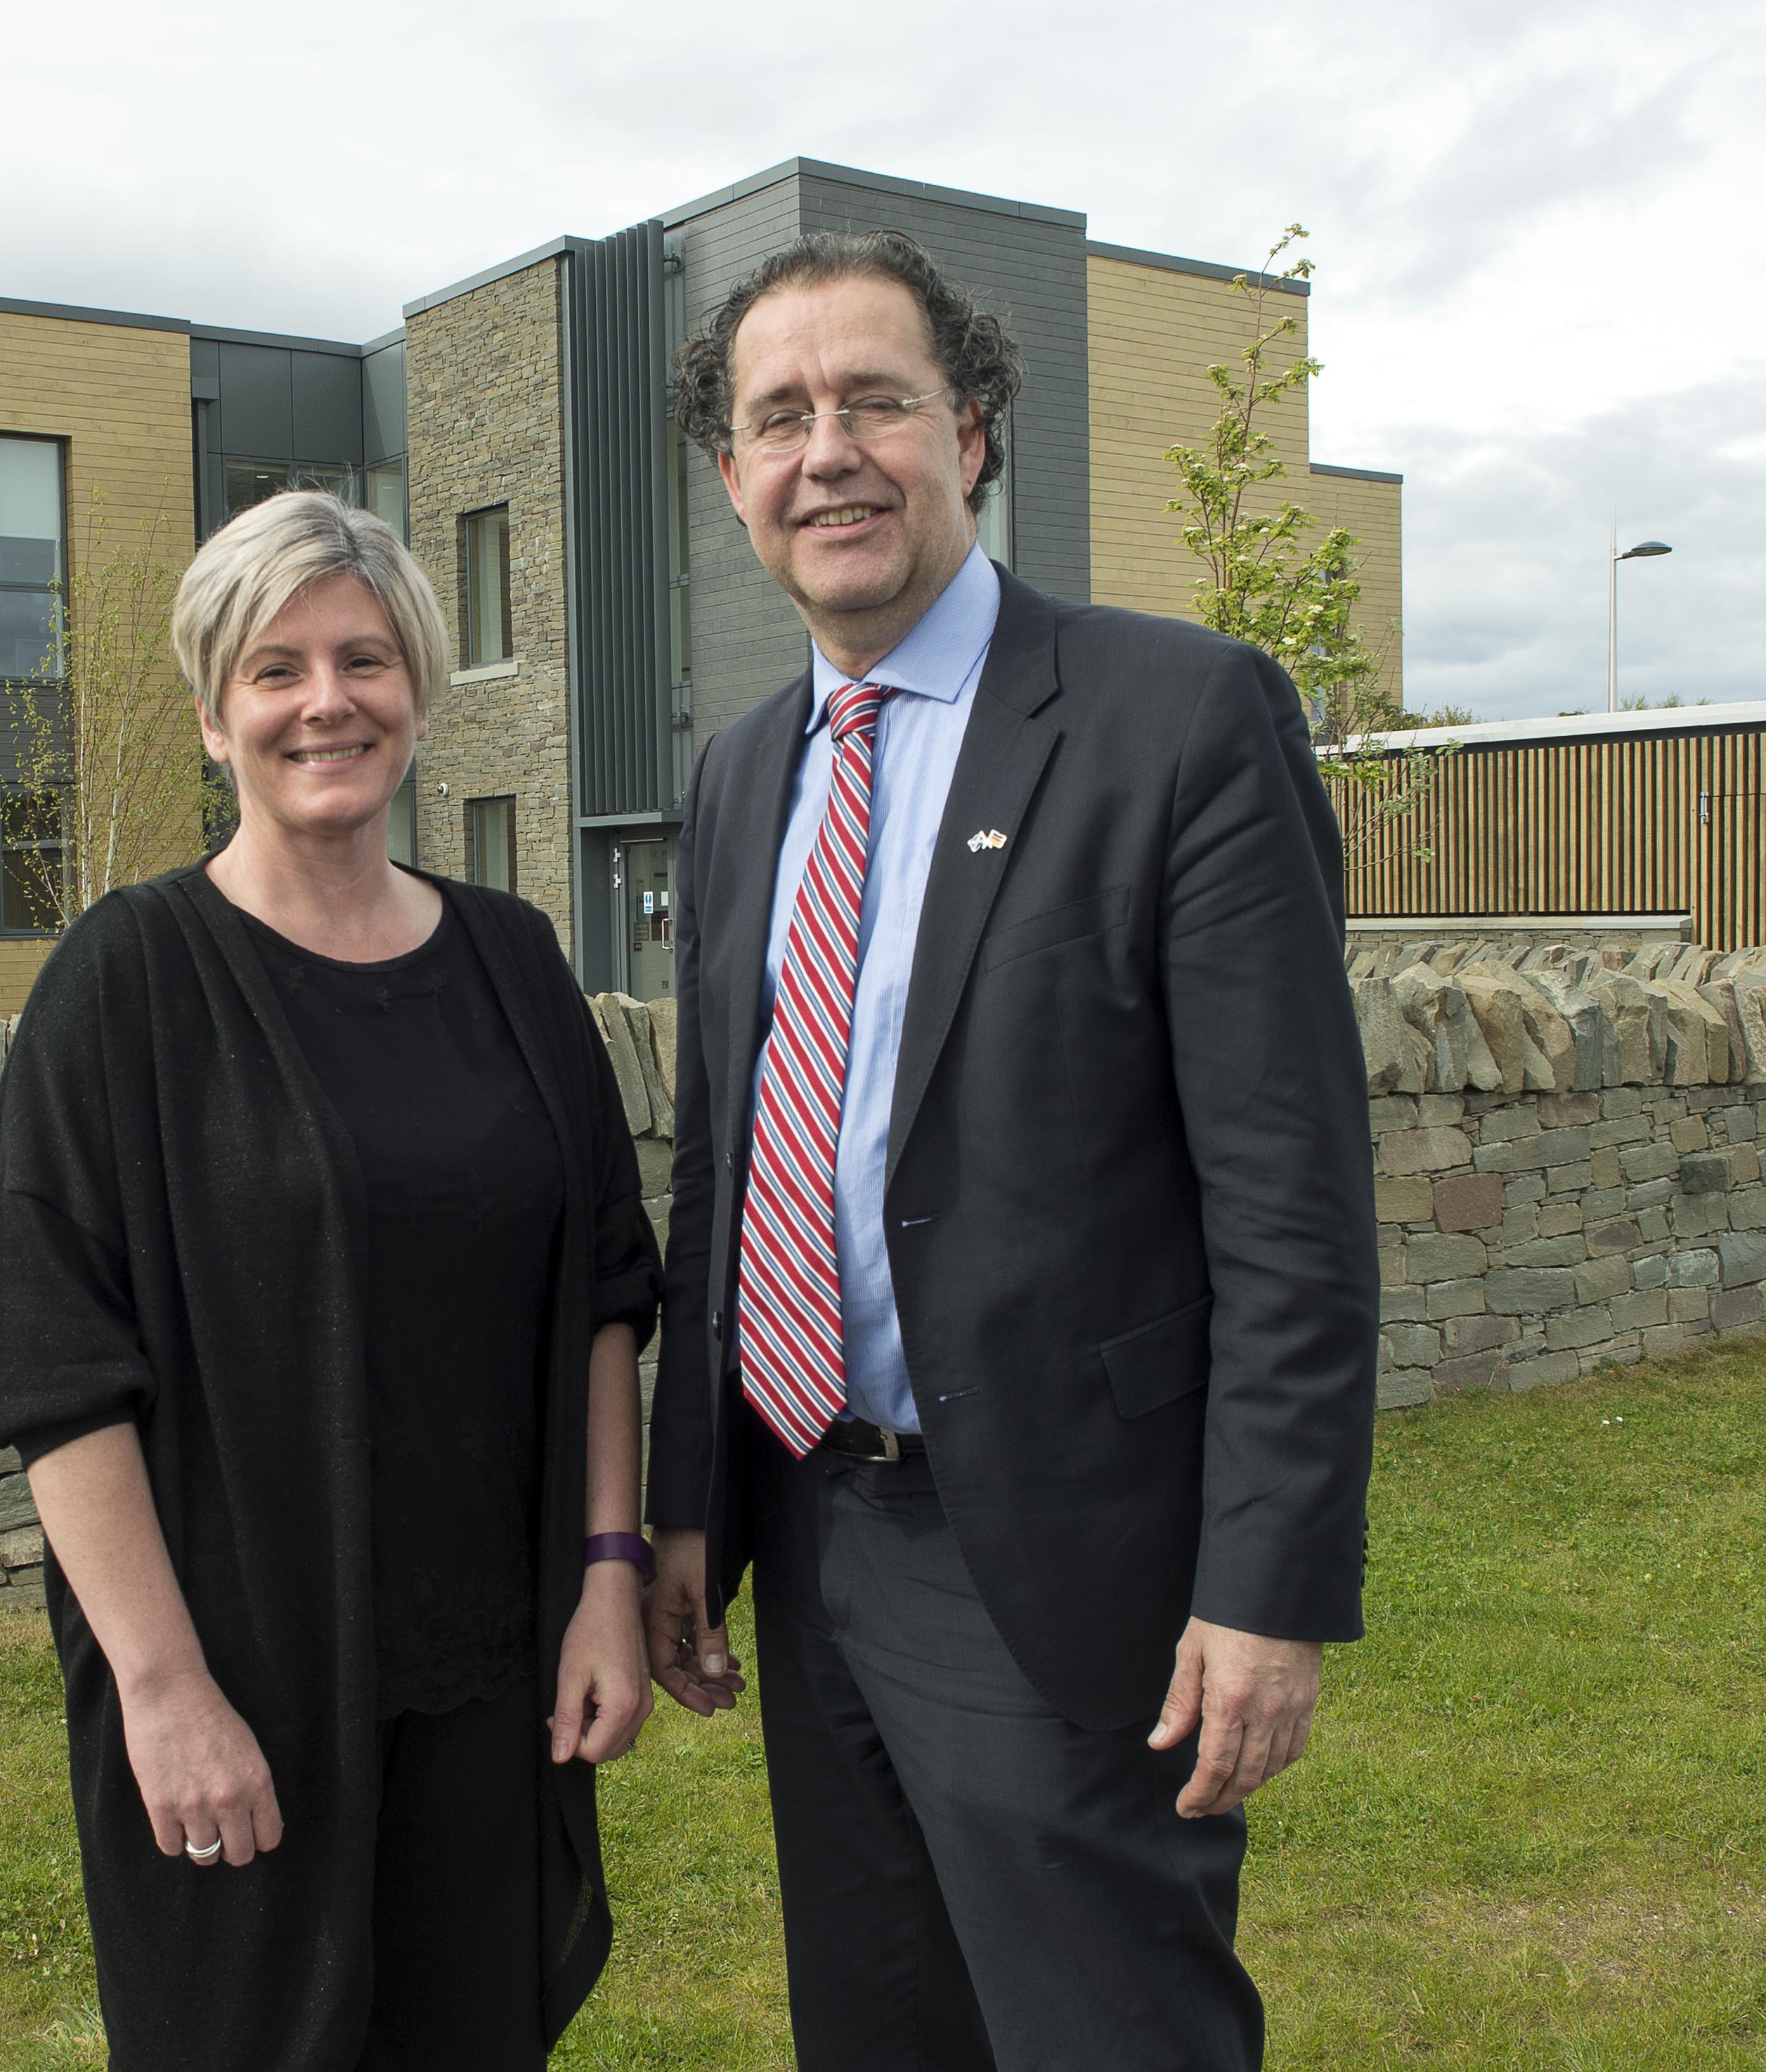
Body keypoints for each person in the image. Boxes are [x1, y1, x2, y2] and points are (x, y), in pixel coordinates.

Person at [638, 229, 1378, 2069]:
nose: (827, 452)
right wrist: (684, 1501)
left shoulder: (1176, 717)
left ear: (966, 431)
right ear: (728, 479)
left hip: (1065, 1559)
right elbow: (718, 1160)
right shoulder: (741, 773)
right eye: (776, 417)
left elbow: (1290, 1204)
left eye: (872, 400)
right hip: (813, 1533)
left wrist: (1262, 1585)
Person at [0, 489, 663, 2071]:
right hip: (246, 1685)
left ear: (417, 686)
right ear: (215, 716)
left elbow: (609, 1293)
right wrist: (163, 1691)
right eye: (275, 669)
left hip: (491, 1674)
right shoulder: (126, 982)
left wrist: (608, 1579)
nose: (325, 700)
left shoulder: (514, 959)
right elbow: (56, 1370)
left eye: (363, 657)